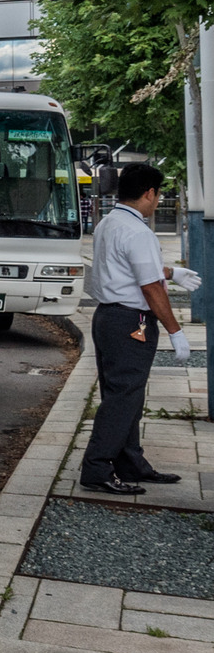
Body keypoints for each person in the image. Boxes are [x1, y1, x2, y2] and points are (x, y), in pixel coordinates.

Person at [80, 163, 201, 494]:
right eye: (158, 194)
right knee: (122, 397)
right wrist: (176, 331)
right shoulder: (139, 231)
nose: (158, 201)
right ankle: (96, 468)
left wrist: (172, 272)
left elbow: (131, 265)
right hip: (131, 322)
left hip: (108, 317)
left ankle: (129, 462)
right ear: (150, 193)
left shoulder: (110, 223)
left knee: (123, 394)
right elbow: (150, 287)